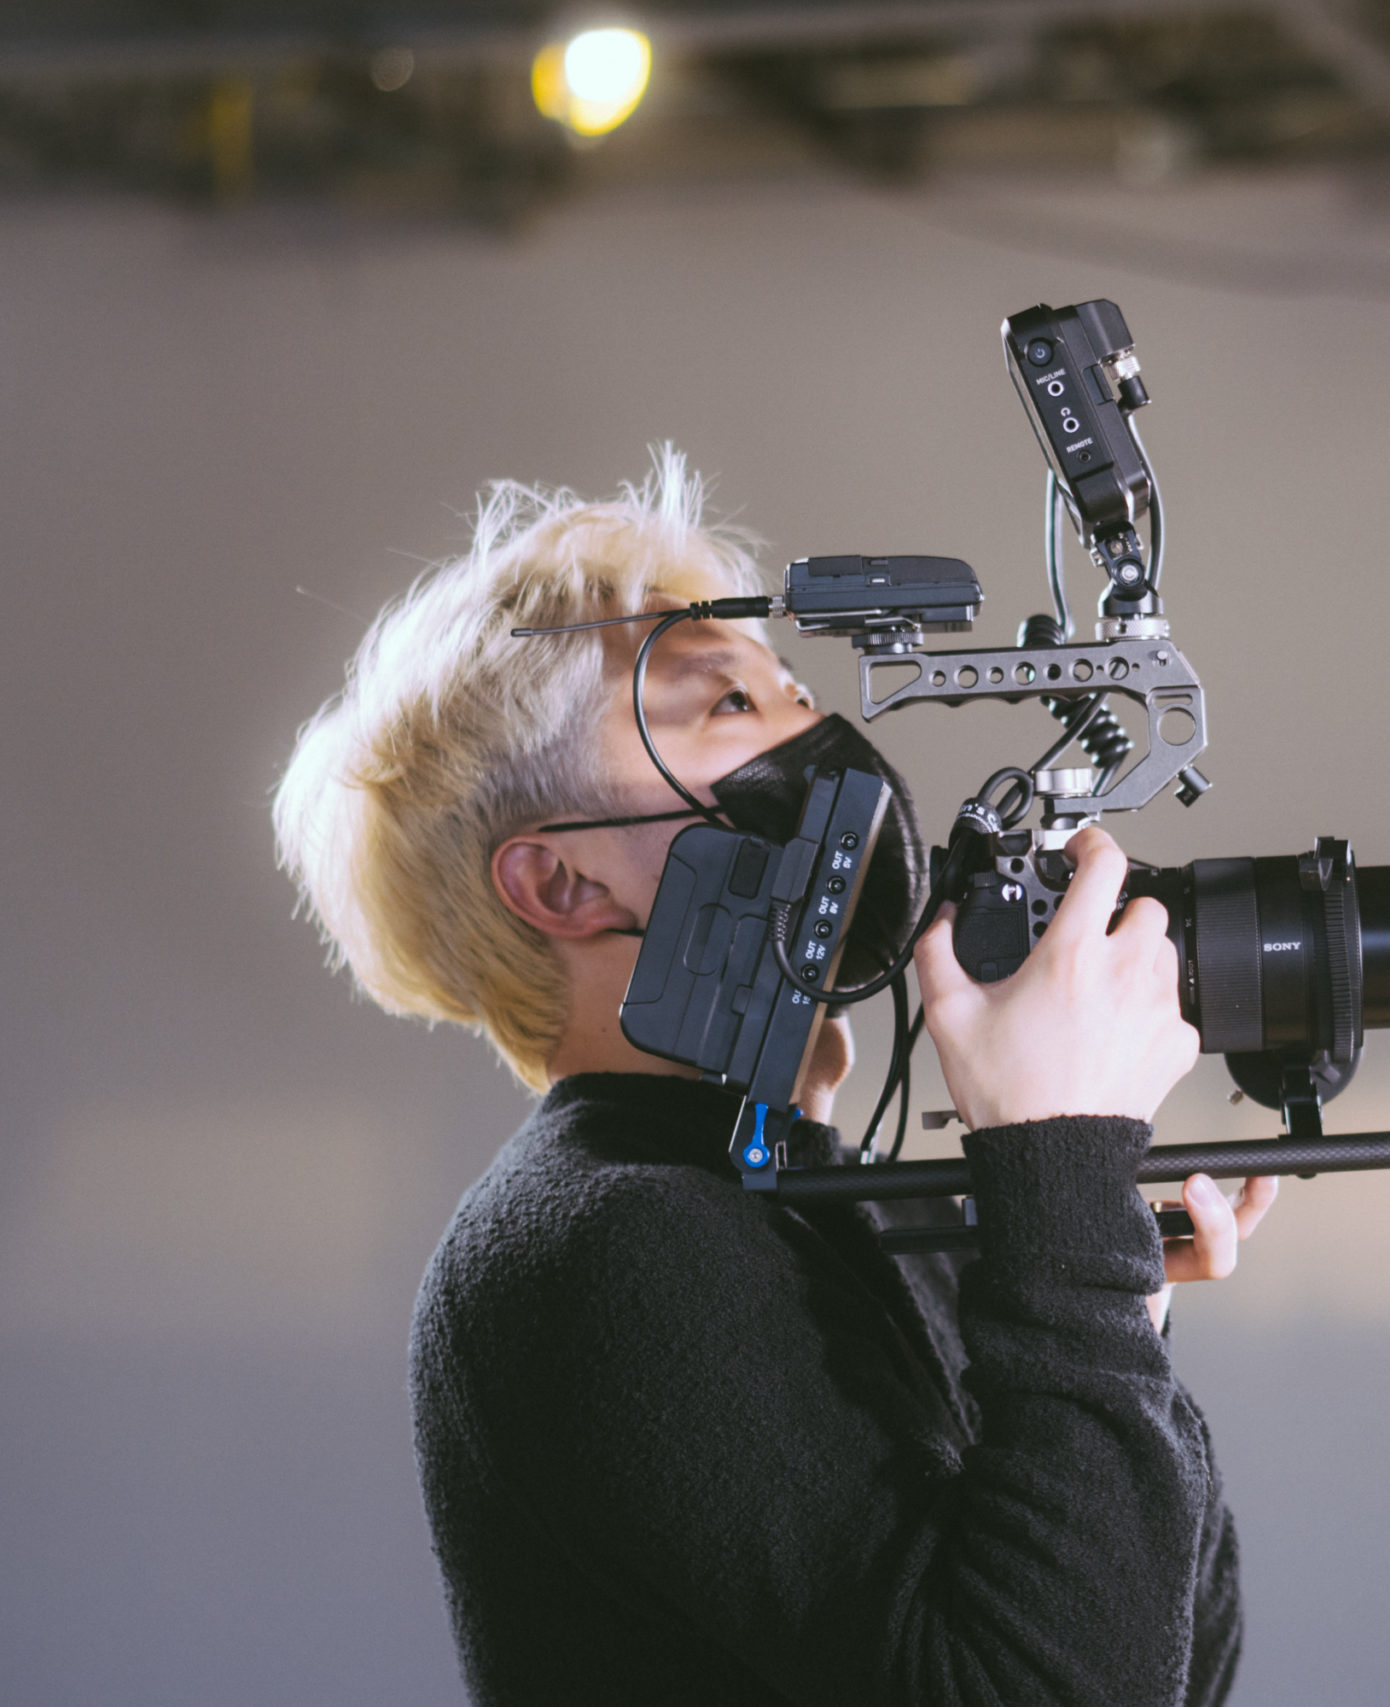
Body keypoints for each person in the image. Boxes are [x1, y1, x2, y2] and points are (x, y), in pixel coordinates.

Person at [273, 450, 1275, 1705]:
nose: (823, 742)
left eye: (791, 688)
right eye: (729, 707)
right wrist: (1062, 1172)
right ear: (564, 883)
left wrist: (1106, 1298)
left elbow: (1179, 1671)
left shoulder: (815, 1209)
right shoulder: (608, 1241)